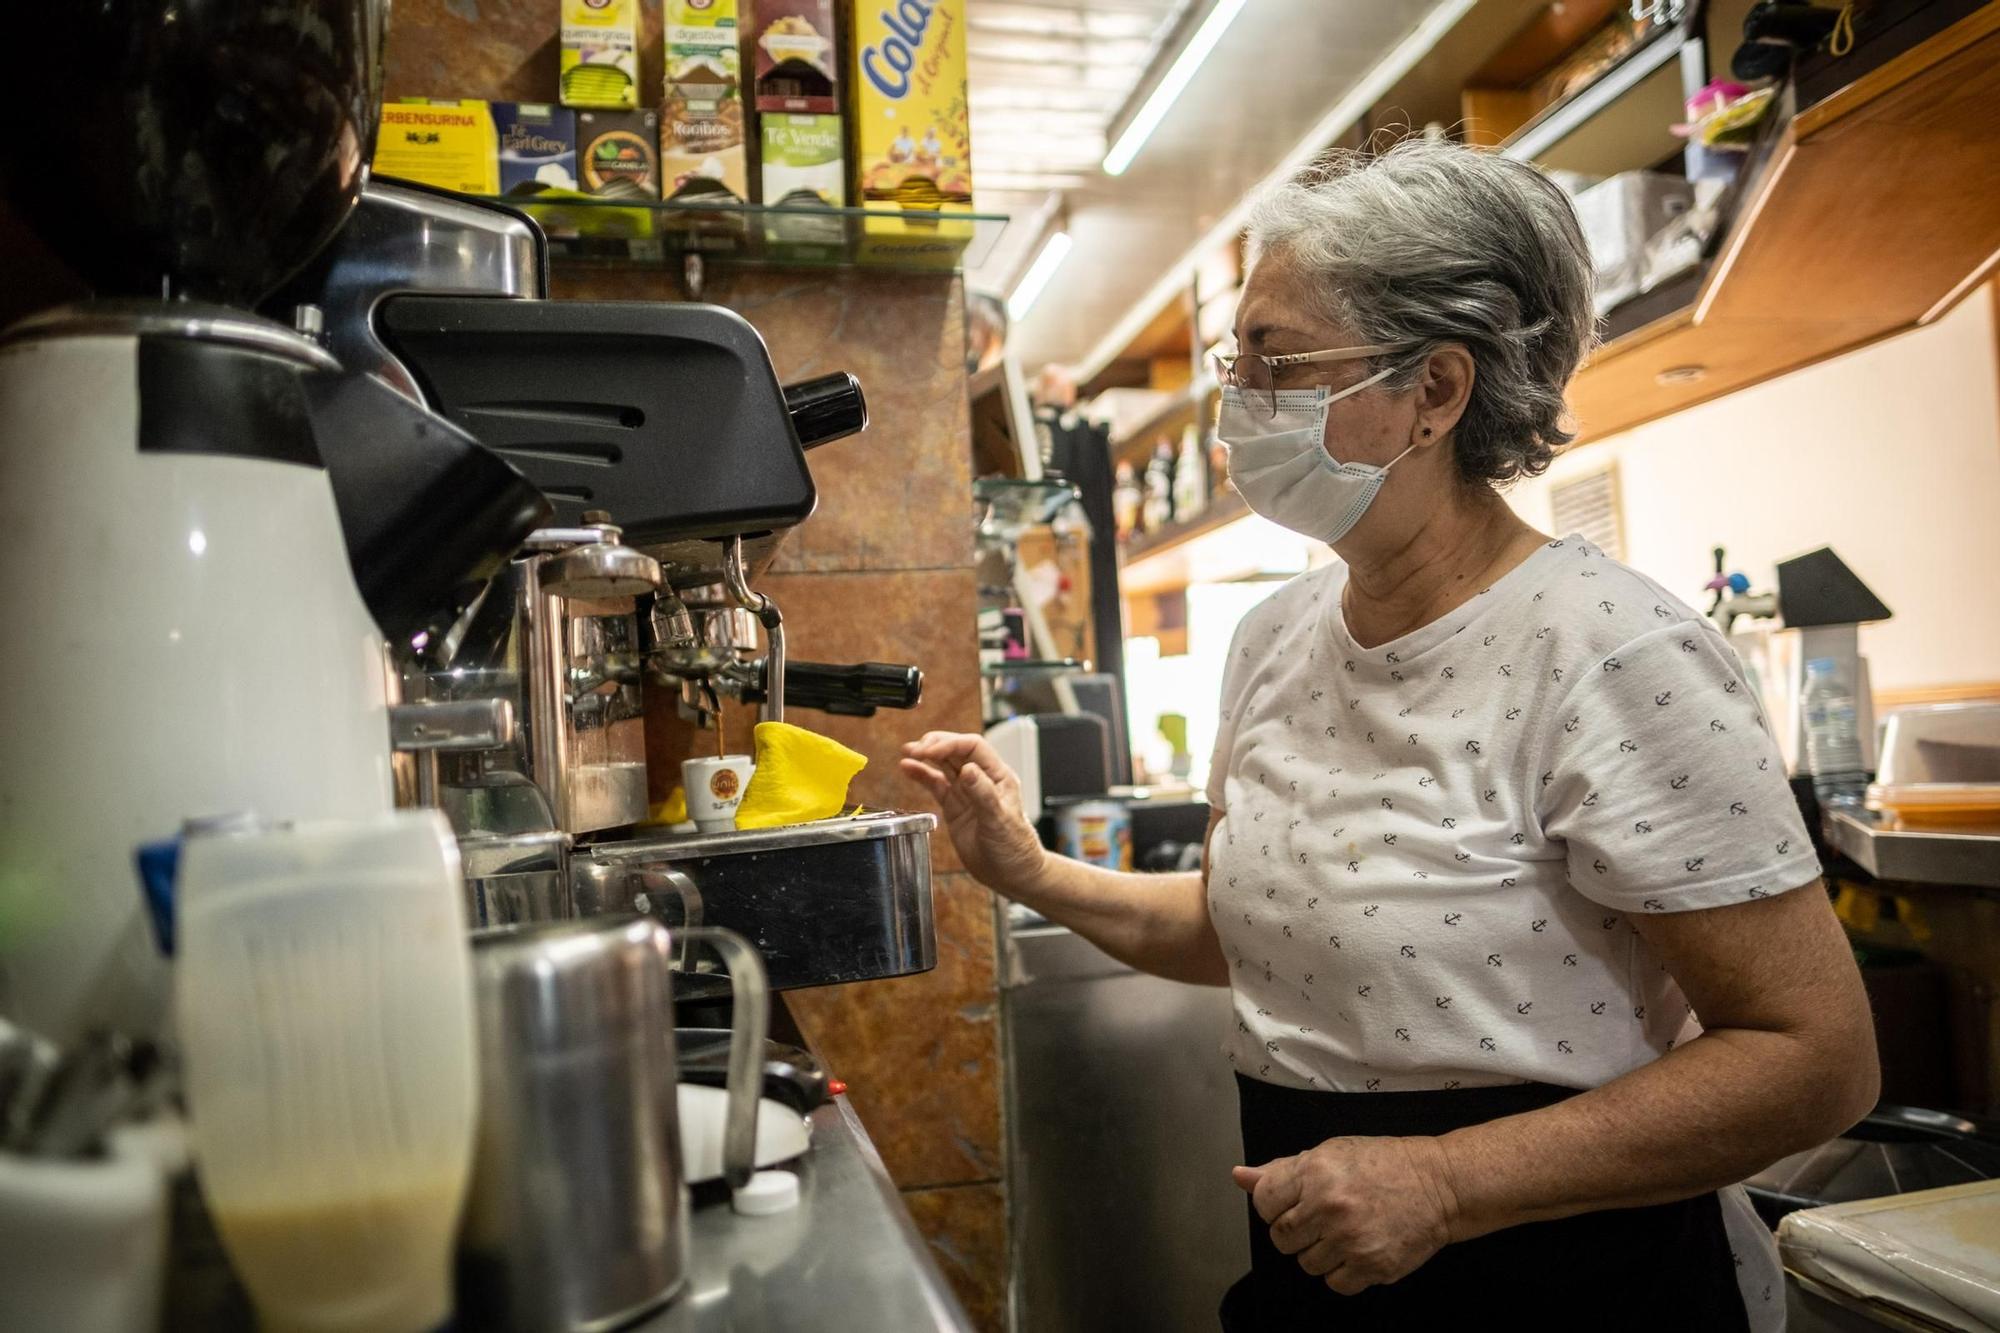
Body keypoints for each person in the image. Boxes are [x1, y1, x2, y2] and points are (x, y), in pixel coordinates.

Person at [902, 139, 1877, 1331]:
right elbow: (1245, 932)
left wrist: (1445, 1180)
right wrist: (1030, 871)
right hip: (1322, 1268)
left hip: (1562, 1285)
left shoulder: (1606, 650)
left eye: (1276, 359)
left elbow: (1813, 1056)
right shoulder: (1272, 638)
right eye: (1236, 358)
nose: (1238, 400)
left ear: (1435, 392)